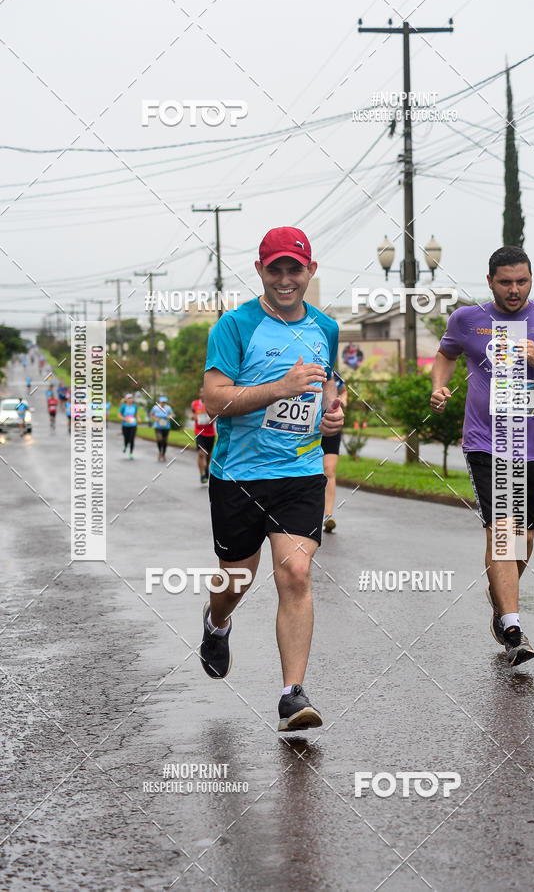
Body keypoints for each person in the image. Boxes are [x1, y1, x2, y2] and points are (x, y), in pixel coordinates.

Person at [201, 226, 343, 731]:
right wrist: (279, 387)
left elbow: (328, 387)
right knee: (235, 581)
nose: (285, 279)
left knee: (296, 573)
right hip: (238, 475)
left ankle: (292, 695)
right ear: (260, 270)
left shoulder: (326, 328)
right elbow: (214, 399)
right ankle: (217, 621)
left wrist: (332, 414)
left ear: (310, 271)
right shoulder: (235, 326)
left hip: (299, 473)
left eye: (295, 269)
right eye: (275, 269)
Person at [430, 246, 534, 666]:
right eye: (505, 282)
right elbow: (445, 354)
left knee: (524, 537)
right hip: (486, 442)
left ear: (531, 279)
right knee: (503, 529)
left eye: (522, 281)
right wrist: (438, 386)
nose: (514, 290)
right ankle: (514, 630)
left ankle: (500, 596)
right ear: (490, 282)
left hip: (533, 445)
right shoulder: (467, 320)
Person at [322, 369, 348, 533]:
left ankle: (328, 515)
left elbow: (344, 391)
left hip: (331, 424)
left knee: (329, 470)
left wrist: (343, 401)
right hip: (306, 428)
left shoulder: (333, 373)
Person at [191, 385, 216, 483]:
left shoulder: (212, 403)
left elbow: (216, 415)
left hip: (210, 433)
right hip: (199, 432)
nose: (203, 394)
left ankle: (206, 467)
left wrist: (212, 418)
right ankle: (202, 475)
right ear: (199, 393)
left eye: (204, 392)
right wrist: (193, 417)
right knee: (201, 453)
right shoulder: (194, 403)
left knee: (208, 455)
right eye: (201, 392)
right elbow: (192, 414)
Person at [150, 395, 174, 462]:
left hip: (166, 426)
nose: (163, 403)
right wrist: (156, 418)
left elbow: (172, 414)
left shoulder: (168, 408)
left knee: (164, 440)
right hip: (158, 426)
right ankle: (160, 451)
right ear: (159, 402)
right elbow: (151, 414)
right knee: (159, 439)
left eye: (164, 402)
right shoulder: (155, 408)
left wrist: (169, 416)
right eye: (162, 402)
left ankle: (163, 454)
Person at [119, 393, 138, 458]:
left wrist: (138, 418)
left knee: (132, 439)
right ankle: (125, 446)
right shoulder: (123, 406)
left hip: (133, 425)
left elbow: (136, 414)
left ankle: (131, 453)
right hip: (125, 425)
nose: (130, 400)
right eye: (129, 398)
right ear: (126, 399)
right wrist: (125, 419)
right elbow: (119, 415)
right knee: (126, 438)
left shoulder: (134, 406)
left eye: (131, 398)